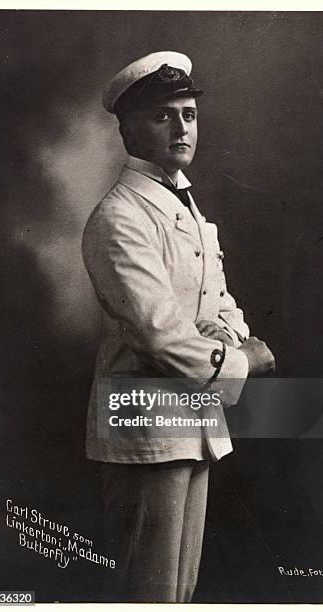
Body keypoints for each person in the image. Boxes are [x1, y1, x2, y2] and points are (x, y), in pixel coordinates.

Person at [82, 51, 275, 603]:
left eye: (189, 113)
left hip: (192, 415)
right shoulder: (121, 216)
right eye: (163, 115)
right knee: (149, 587)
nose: (182, 127)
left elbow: (217, 299)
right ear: (126, 129)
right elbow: (158, 333)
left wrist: (229, 335)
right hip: (144, 422)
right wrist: (245, 361)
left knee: (180, 589)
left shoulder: (182, 205)